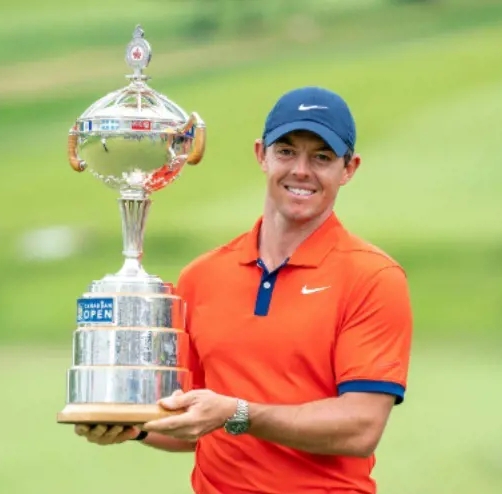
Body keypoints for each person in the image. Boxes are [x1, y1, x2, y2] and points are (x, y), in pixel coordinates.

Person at [75, 86, 413, 494]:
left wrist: (238, 413)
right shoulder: (202, 275)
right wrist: (134, 426)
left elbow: (359, 429)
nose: (301, 170)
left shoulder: (373, 277)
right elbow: (194, 419)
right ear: (261, 154)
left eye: (321, 157)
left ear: (349, 169)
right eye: (286, 151)